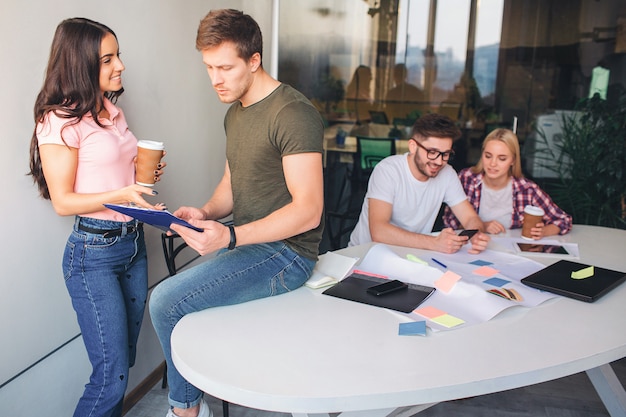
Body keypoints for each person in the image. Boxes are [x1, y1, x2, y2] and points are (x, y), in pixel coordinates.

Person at [148, 9, 324, 417]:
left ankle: (186, 411)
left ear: (255, 60)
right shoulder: (236, 113)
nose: (215, 80)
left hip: (287, 254)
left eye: (225, 67)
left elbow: (309, 210)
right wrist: (205, 211)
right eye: (209, 67)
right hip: (251, 244)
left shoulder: (293, 114)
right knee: (180, 306)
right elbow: (231, 186)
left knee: (165, 302)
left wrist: (227, 237)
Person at [28, 18, 165, 417]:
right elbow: (63, 202)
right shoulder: (58, 121)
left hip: (133, 245)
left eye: (118, 55)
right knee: (111, 376)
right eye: (108, 59)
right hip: (93, 255)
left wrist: (141, 187)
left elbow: (119, 179)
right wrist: (121, 193)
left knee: (122, 361)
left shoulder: (111, 112)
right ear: (80, 63)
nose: (120, 65)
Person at [348, 113, 489, 254]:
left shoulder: (447, 173)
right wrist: (434, 243)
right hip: (364, 256)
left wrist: (476, 233)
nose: (439, 161)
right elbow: (379, 232)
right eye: (432, 152)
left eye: (445, 154)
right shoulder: (388, 170)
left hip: (409, 256)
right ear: (413, 146)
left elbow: (470, 217)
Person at [443, 128, 572, 238]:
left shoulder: (526, 189)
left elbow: (564, 220)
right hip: (472, 252)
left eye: (502, 158)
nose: (493, 163)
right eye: (488, 156)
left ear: (513, 160)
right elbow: (450, 222)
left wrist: (543, 232)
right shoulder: (466, 179)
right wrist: (482, 226)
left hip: (511, 257)